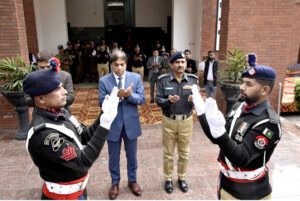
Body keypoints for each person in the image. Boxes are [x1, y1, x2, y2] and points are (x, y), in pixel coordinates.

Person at [23, 57, 119, 200]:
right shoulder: (44, 134)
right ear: (41, 99)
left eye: (62, 86)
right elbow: (83, 161)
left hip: (78, 191)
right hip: (62, 197)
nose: (65, 92)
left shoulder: (61, 112)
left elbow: (85, 135)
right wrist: (105, 125)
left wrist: (103, 115)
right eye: (57, 89)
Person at [192, 53, 281, 200]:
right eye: (243, 82)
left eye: (249, 84)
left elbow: (241, 158)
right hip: (227, 183)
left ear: (264, 90)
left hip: (250, 192)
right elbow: (218, 139)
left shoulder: (269, 123)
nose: (242, 87)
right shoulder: (239, 106)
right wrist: (201, 112)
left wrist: (220, 133)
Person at [99, 50, 145, 200]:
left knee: (132, 155)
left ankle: (132, 181)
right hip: (112, 124)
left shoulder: (135, 77)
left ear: (126, 64)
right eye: (116, 65)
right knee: (113, 156)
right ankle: (115, 182)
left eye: (122, 64)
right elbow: (102, 103)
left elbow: (142, 99)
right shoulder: (104, 81)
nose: (119, 68)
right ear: (110, 65)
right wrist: (115, 97)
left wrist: (129, 95)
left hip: (131, 123)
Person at [156, 51, 198, 194]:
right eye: (177, 62)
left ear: (186, 64)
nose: (180, 65)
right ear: (171, 64)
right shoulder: (163, 80)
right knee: (168, 152)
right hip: (169, 120)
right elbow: (158, 101)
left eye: (183, 62)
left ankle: (181, 178)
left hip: (186, 121)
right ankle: (168, 179)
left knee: (184, 152)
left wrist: (195, 100)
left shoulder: (193, 79)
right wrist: (168, 101)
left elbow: (198, 101)